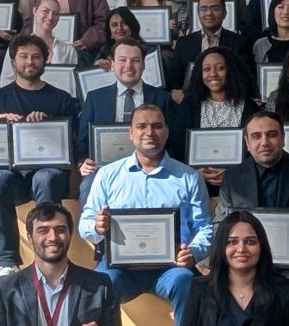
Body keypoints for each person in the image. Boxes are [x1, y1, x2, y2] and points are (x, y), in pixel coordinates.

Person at [78, 104, 213, 323]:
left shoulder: (188, 177)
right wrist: (97, 226)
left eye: (157, 126)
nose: (149, 133)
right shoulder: (107, 175)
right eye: (141, 126)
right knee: (102, 282)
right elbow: (85, 223)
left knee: (185, 282)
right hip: (120, 267)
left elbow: (204, 226)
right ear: (130, 133)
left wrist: (194, 253)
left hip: (171, 267)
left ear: (167, 132)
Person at [0, 34, 81, 287]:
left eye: (36, 57)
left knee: (46, 177)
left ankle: (49, 257)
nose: (30, 62)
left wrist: (48, 122)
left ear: (45, 61)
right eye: (23, 56)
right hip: (12, 178)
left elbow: (75, 143)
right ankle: (6, 262)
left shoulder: (62, 99)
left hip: (49, 175)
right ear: (13, 61)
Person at [216, 111, 289, 272]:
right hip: (244, 262)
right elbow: (222, 222)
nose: (265, 142)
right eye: (256, 136)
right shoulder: (233, 176)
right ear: (247, 143)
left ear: (283, 138)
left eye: (272, 135)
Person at [77, 38, 178, 207]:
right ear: (112, 64)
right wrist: (82, 162)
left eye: (135, 60)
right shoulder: (95, 99)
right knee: (89, 185)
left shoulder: (162, 98)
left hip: (150, 167)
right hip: (104, 168)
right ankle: (94, 233)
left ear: (144, 65)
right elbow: (82, 142)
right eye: (122, 60)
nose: (129, 66)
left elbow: (173, 141)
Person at [168, 47, 261, 197]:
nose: (212, 74)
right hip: (196, 186)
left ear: (231, 71)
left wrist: (234, 174)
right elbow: (177, 146)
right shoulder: (190, 104)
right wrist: (195, 172)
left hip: (239, 189)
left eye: (220, 68)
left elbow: (256, 150)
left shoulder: (249, 106)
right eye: (206, 69)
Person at [168, 0, 250, 95]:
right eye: (203, 9)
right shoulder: (183, 44)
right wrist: (175, 93)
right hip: (192, 102)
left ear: (225, 13)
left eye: (215, 9)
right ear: (198, 14)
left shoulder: (240, 43)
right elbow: (174, 81)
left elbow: (244, 80)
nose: (209, 13)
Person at [0, 0, 80, 89]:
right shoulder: (17, 46)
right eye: (45, 11)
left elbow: (72, 84)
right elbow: (6, 81)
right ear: (34, 11)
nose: (50, 17)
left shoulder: (68, 50)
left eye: (56, 13)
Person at [22, 0, 109, 53]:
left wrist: (87, 41)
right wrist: (25, 43)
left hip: (81, 51)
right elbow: (28, 22)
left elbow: (104, 20)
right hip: (37, 49)